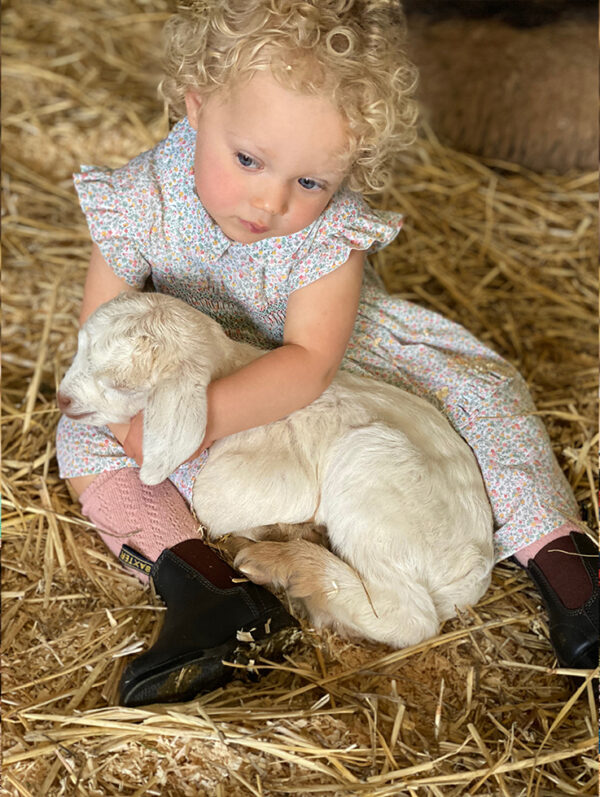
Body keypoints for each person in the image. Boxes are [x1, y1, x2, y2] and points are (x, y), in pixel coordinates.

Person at [56, 0, 598, 705]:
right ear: (194, 107)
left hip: (339, 364)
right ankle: (203, 588)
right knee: (82, 438)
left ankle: (567, 566)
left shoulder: (329, 233)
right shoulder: (138, 200)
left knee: (480, 390)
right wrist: (131, 420)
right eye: (248, 159)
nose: (271, 200)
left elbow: (310, 361)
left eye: (310, 181)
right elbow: (101, 334)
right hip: (197, 362)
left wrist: (201, 421)